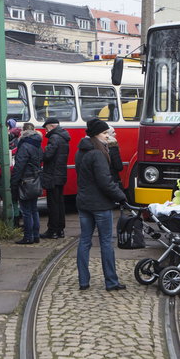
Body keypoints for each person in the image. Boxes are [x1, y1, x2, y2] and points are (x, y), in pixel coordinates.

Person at [75, 118, 127, 291]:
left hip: (84, 203)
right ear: (96, 135)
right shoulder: (97, 154)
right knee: (106, 242)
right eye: (104, 133)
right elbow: (105, 182)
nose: (107, 136)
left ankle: (83, 281)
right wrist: (122, 196)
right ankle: (111, 281)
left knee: (84, 241)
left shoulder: (80, 151)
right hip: (100, 205)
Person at [10, 126, 43, 244]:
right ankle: (36, 235)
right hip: (35, 180)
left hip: (25, 181)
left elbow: (19, 166)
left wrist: (13, 182)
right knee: (34, 209)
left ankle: (28, 237)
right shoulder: (38, 145)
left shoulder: (24, 146)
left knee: (26, 211)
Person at [41, 116, 70, 239]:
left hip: (52, 175)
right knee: (59, 203)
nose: (46, 131)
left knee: (52, 204)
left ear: (52, 126)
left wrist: (43, 151)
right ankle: (60, 230)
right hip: (60, 174)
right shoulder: (64, 137)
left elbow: (47, 155)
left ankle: (52, 230)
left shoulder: (54, 138)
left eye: (47, 128)